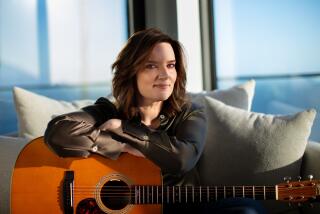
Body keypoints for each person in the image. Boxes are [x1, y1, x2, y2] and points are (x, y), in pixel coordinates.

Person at [44, 28, 265, 213]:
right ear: (131, 72)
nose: (165, 75)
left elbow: (182, 160)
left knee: (250, 210)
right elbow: (59, 132)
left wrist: (124, 129)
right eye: (151, 66)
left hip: (183, 208)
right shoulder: (108, 111)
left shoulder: (190, 113)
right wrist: (120, 145)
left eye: (170, 65)